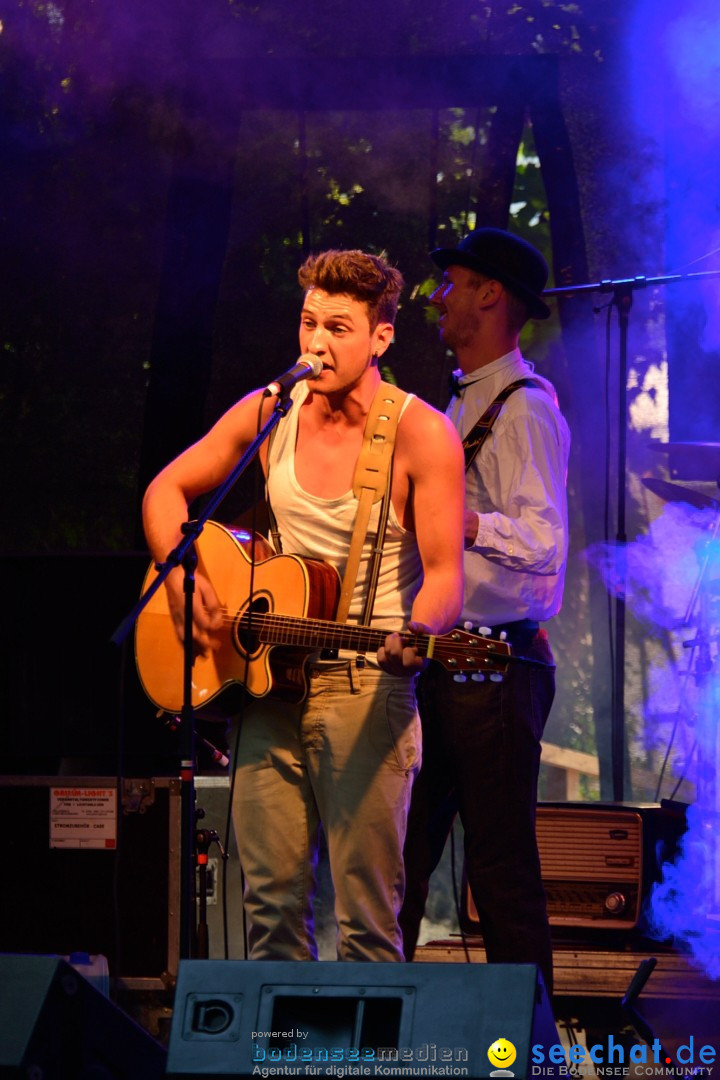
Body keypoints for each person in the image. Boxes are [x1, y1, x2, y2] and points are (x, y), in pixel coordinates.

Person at [142, 248, 465, 962]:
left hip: (366, 685)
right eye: (308, 322)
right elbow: (166, 491)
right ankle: (280, 1062)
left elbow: (446, 575)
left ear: (381, 336)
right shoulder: (271, 410)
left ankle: (367, 1070)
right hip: (267, 686)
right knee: (270, 912)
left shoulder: (421, 433)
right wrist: (179, 579)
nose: (316, 343)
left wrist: (421, 627)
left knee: (365, 920)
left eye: (339, 328)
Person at [399, 228, 570, 995]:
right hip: (449, 659)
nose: (438, 296)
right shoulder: (462, 402)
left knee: (500, 869)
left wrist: (458, 519)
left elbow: (544, 540)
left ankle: (525, 1051)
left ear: (492, 296)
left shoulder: (524, 409)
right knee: (401, 855)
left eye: (453, 282)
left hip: (499, 665)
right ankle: (379, 1030)